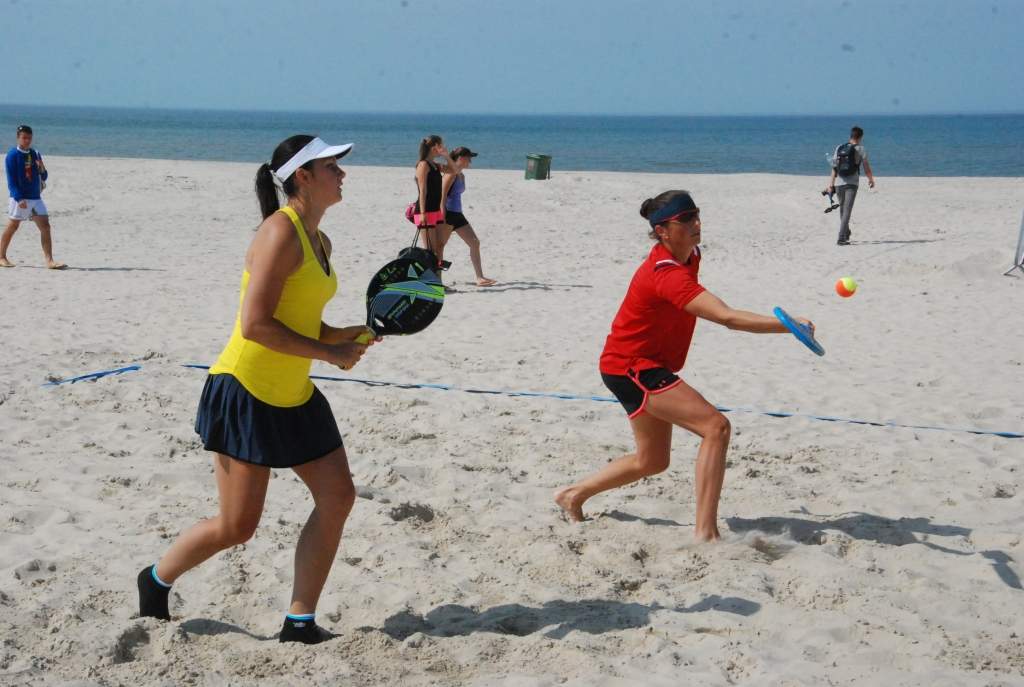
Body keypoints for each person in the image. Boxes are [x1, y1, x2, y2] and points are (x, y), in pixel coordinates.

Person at [137, 135, 375, 644]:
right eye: (332, 166)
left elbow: (306, 322)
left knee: (338, 497)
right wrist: (330, 354)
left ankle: (300, 621)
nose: (342, 174)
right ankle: (155, 579)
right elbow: (255, 326)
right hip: (245, 390)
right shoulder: (279, 233)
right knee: (236, 527)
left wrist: (350, 333)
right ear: (303, 178)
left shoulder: (319, 240)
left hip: (294, 392)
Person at [554, 190, 816, 542]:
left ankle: (572, 495)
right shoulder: (666, 274)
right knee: (716, 427)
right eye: (687, 219)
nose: (697, 224)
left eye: (697, 215)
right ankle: (706, 534)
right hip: (633, 367)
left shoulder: (690, 256)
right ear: (663, 230)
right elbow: (727, 317)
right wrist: (788, 324)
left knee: (652, 461)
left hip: (634, 364)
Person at [1, 125, 65, 269]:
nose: (27, 140)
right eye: (24, 137)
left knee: (46, 227)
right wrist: (19, 198)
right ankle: (1, 257)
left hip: (35, 197)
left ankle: (49, 261)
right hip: (20, 198)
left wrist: (41, 167)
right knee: (13, 227)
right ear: (18, 138)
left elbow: (44, 176)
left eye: (29, 138)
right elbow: (11, 182)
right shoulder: (12, 155)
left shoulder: (35, 153)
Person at [439, 146, 496, 286]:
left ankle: (480, 277)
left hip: (458, 214)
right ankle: (437, 280)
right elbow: (442, 195)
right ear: (461, 158)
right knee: (439, 248)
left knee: (475, 242)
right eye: (469, 158)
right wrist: (442, 216)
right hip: (448, 214)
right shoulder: (451, 173)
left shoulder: (461, 175)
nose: (470, 161)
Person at [825, 126, 876, 246]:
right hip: (852, 184)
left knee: (843, 210)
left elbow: (834, 167)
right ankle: (841, 238)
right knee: (846, 211)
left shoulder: (839, 147)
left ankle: (846, 232)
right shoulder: (861, 149)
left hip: (839, 184)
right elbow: (866, 167)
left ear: (851, 135)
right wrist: (871, 179)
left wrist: (831, 185)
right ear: (860, 137)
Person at [414, 135, 455, 270]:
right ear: (433, 147)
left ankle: (438, 282)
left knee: (438, 249)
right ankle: (431, 284)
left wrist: (446, 156)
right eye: (441, 145)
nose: (443, 147)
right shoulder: (423, 165)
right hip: (425, 211)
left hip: (435, 211)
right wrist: (423, 213)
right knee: (430, 252)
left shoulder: (436, 165)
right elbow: (423, 190)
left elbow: (454, 170)